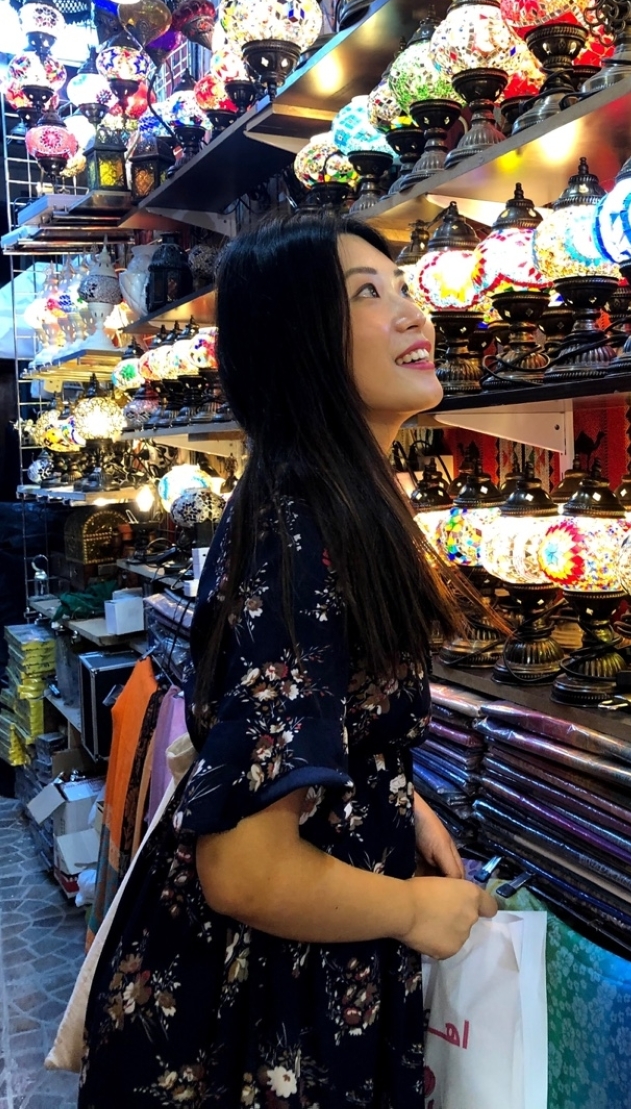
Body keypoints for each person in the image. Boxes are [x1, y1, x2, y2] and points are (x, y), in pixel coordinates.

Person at [78, 214, 497, 1108]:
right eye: (368, 294)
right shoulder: (304, 529)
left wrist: (394, 790)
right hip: (271, 992)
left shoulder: (324, 502)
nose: (414, 312)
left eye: (404, 286)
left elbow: (297, 711)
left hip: (300, 968)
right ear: (297, 343)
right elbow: (248, 871)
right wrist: (417, 911)